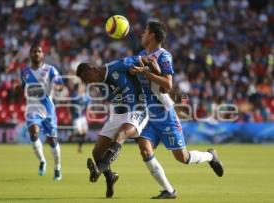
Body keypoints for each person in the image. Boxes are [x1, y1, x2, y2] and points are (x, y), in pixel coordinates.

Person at [130, 21, 224, 199]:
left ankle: (210, 156)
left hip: (165, 113)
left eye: (144, 31)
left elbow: (168, 84)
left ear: (152, 36)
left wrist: (146, 73)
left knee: (182, 157)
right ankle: (169, 191)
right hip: (148, 115)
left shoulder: (164, 56)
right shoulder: (141, 55)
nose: (142, 34)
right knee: (144, 148)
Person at [76, 56, 149, 198]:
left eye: (88, 78)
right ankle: (110, 178)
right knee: (97, 152)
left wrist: (145, 69)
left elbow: (142, 59)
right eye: (87, 82)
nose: (90, 83)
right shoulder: (99, 85)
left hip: (138, 109)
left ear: (93, 68)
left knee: (121, 134)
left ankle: (100, 169)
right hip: (118, 114)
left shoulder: (116, 65)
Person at [20, 42, 63, 181]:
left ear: (42, 54)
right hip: (32, 109)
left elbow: (59, 83)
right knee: (34, 133)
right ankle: (42, 161)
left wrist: (57, 88)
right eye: (34, 51)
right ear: (30, 54)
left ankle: (57, 168)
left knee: (52, 141)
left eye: (39, 51)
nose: (36, 54)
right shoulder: (24, 72)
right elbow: (23, 88)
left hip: (48, 110)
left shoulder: (50, 69)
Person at [69, 83, 90, 153]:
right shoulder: (74, 95)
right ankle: (72, 134)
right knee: (80, 132)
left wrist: (87, 114)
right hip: (76, 117)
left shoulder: (86, 96)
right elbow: (69, 105)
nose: (82, 88)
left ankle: (80, 147)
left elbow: (88, 106)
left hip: (82, 117)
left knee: (84, 133)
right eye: (80, 87)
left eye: (83, 87)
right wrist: (69, 114)